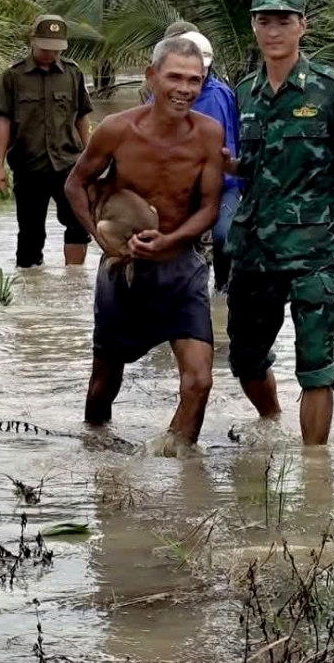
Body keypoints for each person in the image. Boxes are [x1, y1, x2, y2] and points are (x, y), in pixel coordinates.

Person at [225, 0, 334, 447]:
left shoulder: (332, 89)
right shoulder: (242, 94)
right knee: (245, 359)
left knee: (316, 365)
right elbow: (233, 168)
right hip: (253, 251)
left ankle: (316, 469)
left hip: (314, 250)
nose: (274, 31)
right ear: (253, 26)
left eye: (284, 21)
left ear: (302, 25)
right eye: (264, 20)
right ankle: (270, 424)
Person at [64, 36, 227, 453]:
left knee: (200, 379)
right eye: (174, 77)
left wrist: (171, 239)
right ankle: (97, 457)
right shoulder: (118, 130)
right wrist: (100, 238)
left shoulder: (209, 134)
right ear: (151, 76)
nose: (184, 89)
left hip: (182, 268)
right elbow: (76, 184)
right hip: (125, 273)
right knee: (105, 383)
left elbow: (209, 207)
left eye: (195, 80)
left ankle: (183, 470)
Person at [0, 14, 94, 268]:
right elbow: (3, 121)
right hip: (29, 165)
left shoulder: (72, 73)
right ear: (33, 40)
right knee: (30, 235)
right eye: (45, 47)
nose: (50, 53)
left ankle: (74, 285)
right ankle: (30, 290)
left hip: (68, 164)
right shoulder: (13, 76)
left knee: (79, 225)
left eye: (56, 49)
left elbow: (82, 117)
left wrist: (90, 158)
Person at [182, 31, 241, 292]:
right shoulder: (166, 94)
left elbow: (235, 138)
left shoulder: (222, 94)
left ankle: (223, 288)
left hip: (222, 185)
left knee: (223, 236)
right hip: (182, 186)